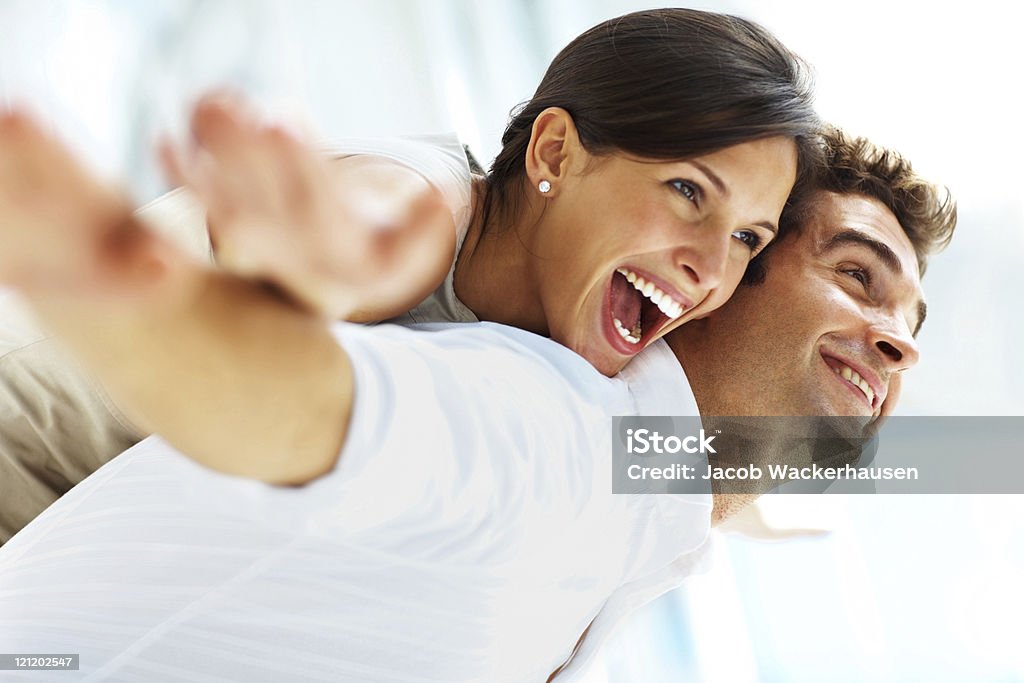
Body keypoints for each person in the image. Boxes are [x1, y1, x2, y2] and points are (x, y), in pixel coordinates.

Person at [0, 125, 956, 680]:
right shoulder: (528, 400)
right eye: (857, 275)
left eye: (911, 321)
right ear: (715, 282)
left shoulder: (637, 493)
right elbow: (319, 403)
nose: (899, 338)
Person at [0, 7, 820, 541]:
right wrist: (326, 264)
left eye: (748, 237)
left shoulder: (580, 328)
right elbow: (372, 236)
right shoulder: (428, 205)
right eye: (686, 192)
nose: (710, 266)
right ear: (556, 152)